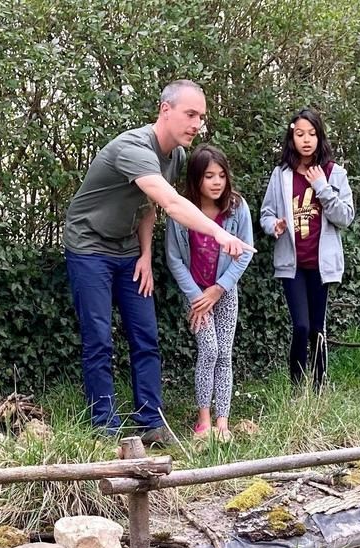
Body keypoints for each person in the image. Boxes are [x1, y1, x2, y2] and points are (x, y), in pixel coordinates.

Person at [63, 80, 251, 445]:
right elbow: (170, 203)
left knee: (146, 336)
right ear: (166, 110)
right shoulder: (134, 147)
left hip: (129, 250)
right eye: (190, 114)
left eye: (201, 117)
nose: (197, 124)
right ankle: (104, 426)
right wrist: (220, 234)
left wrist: (145, 254)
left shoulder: (177, 155)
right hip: (89, 247)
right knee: (99, 338)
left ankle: (151, 422)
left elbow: (146, 207)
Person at [259, 107, 355, 390]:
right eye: (300, 134)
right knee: (300, 326)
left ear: (320, 137)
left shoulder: (334, 173)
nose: (306, 140)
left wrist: (322, 187)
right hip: (292, 264)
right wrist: (272, 225)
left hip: (321, 266)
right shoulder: (281, 175)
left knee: (317, 329)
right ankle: (296, 388)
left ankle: (319, 387)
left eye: (312, 134)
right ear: (292, 137)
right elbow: (265, 213)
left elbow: (345, 217)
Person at [164, 145, 253, 442]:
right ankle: (203, 419)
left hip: (224, 292)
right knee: (209, 350)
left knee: (224, 354)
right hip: (196, 297)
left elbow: (244, 252)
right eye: (209, 176)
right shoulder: (181, 211)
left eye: (222, 175)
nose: (217, 182)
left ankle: (223, 421)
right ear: (196, 179)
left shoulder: (238, 207)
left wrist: (219, 289)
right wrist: (195, 296)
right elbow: (174, 258)